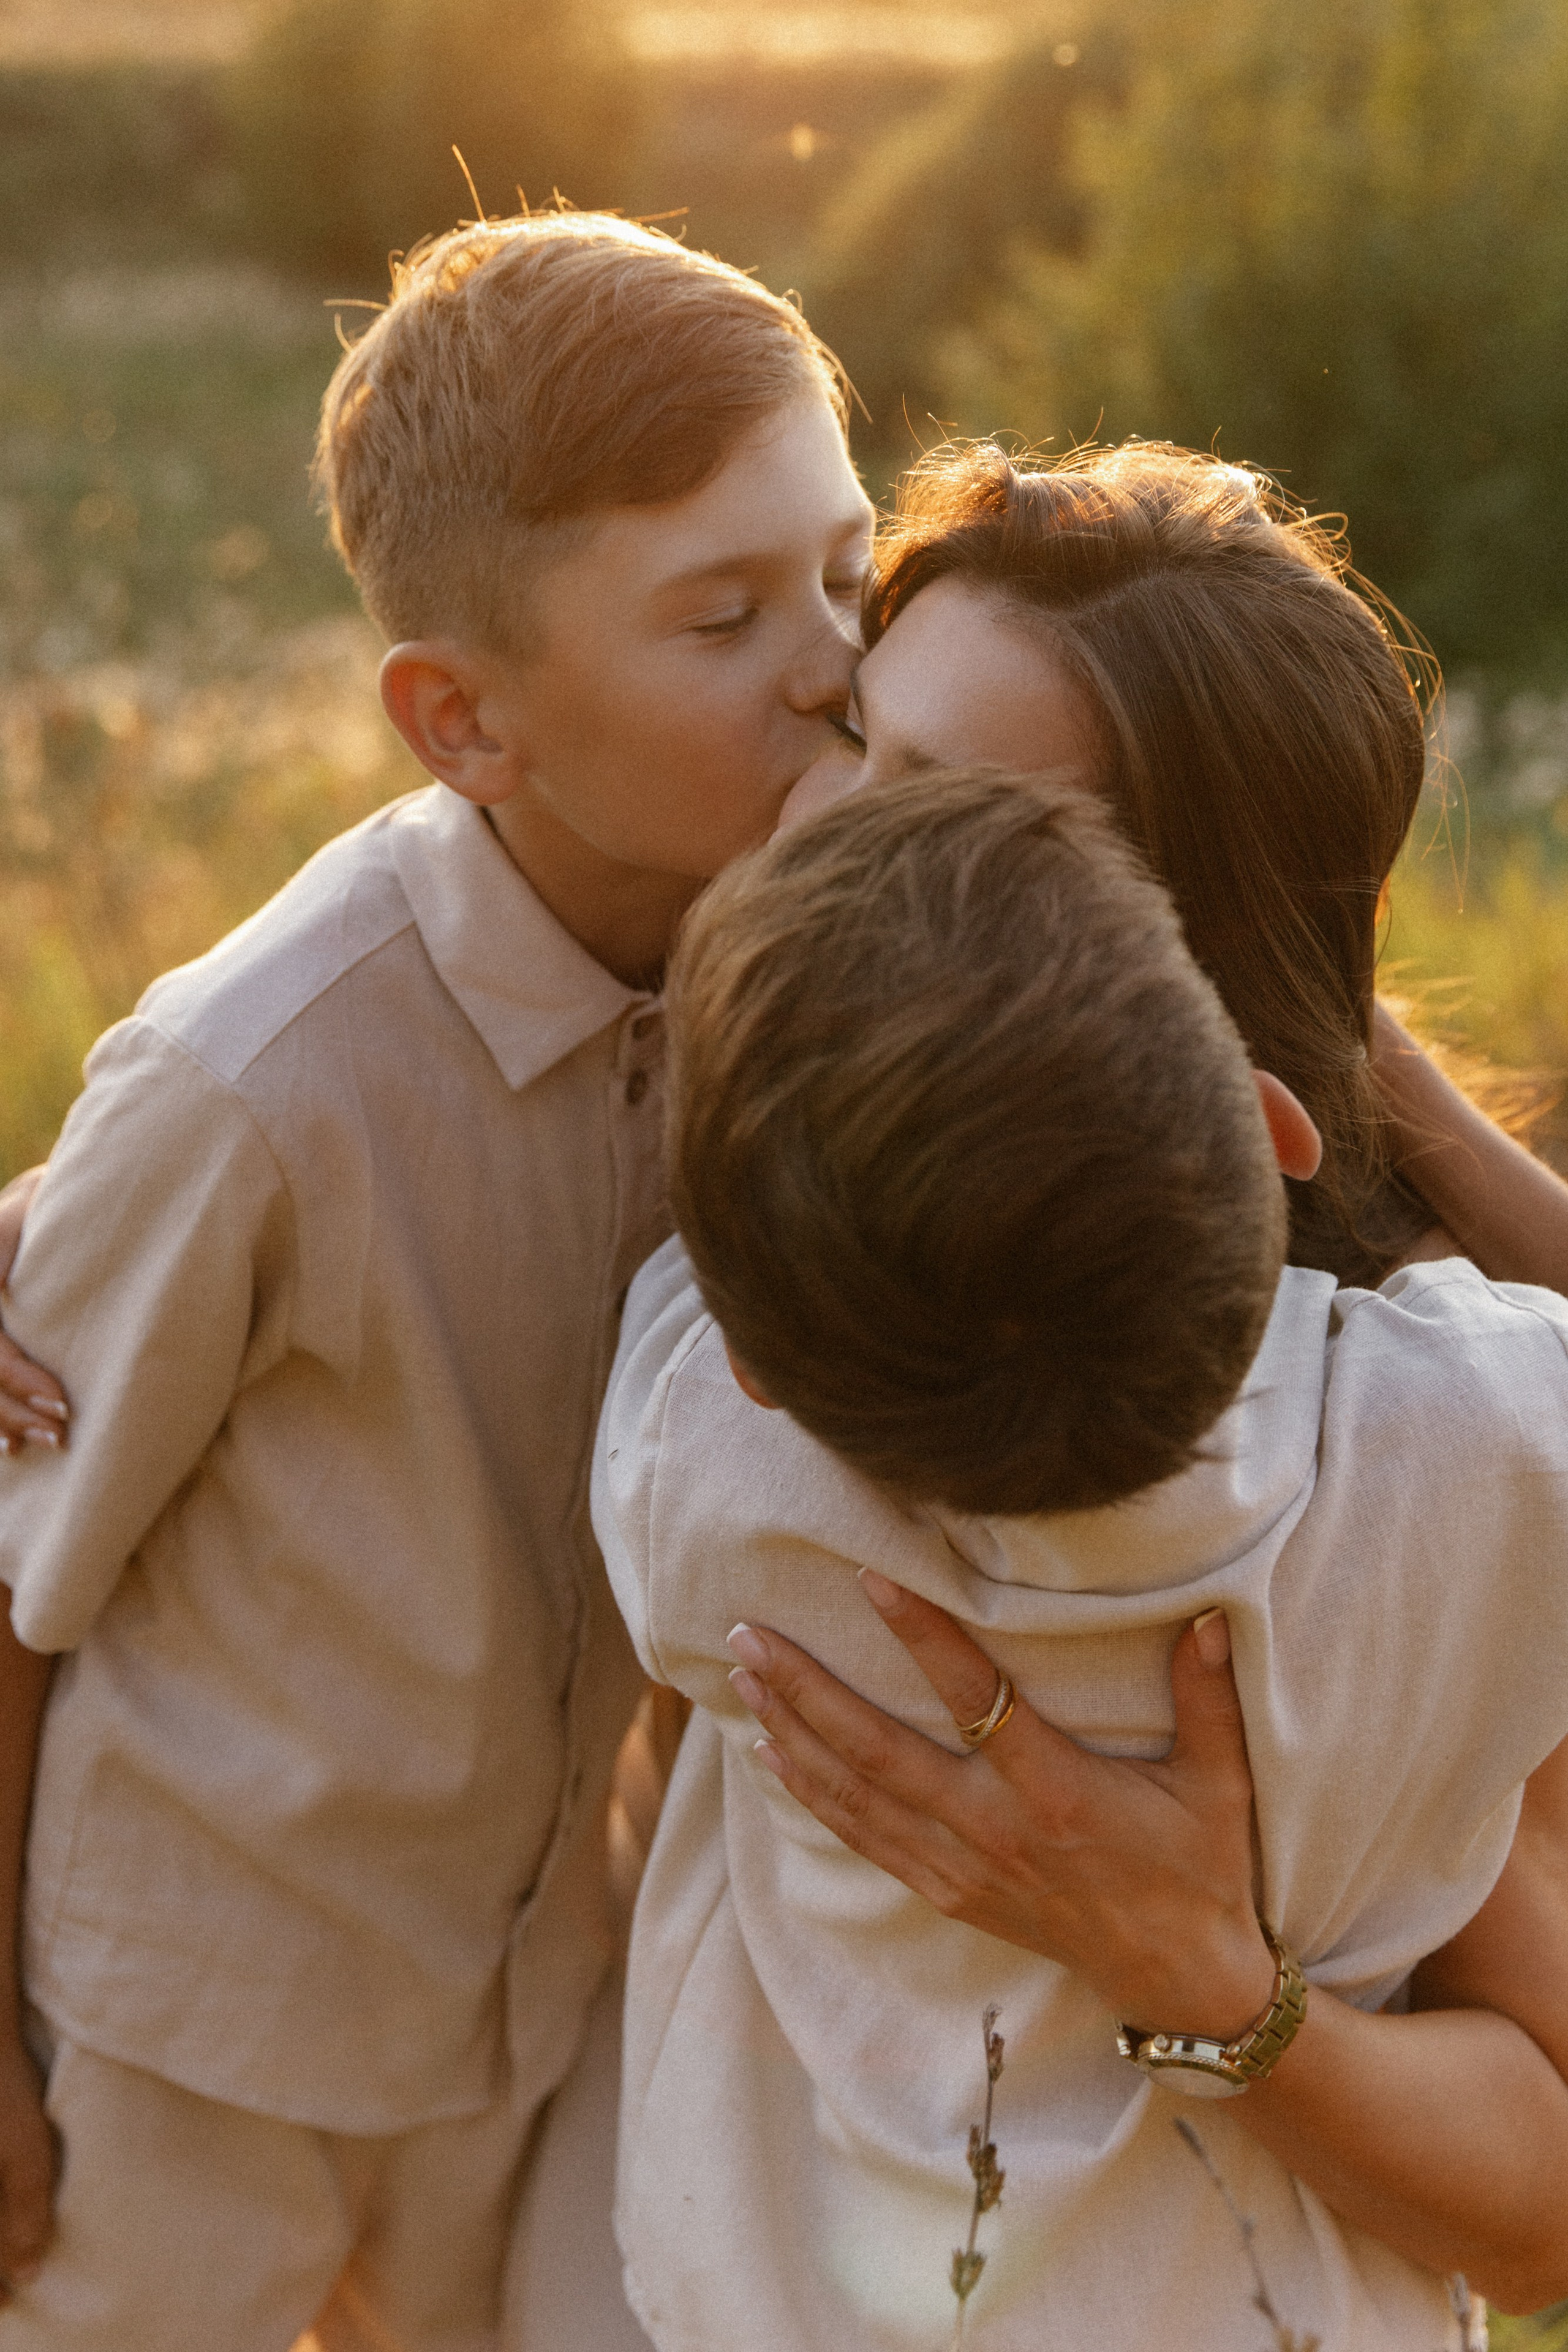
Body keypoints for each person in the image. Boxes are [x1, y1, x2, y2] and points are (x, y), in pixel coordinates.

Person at [0, 209, 872, 2351]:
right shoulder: (254, 1080)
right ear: (462, 721)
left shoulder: (809, 988)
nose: (832, 663)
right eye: (723, 615)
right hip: (196, 2028)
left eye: (852, 573)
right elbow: (13, 1588)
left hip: (531, 1999)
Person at [598, 445, 1568, 2345]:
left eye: (946, 818)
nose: (821, 834)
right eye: (857, 738)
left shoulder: (720, 1394)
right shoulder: (1462, 1452)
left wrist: (1207, 1980)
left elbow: (1542, 2213)